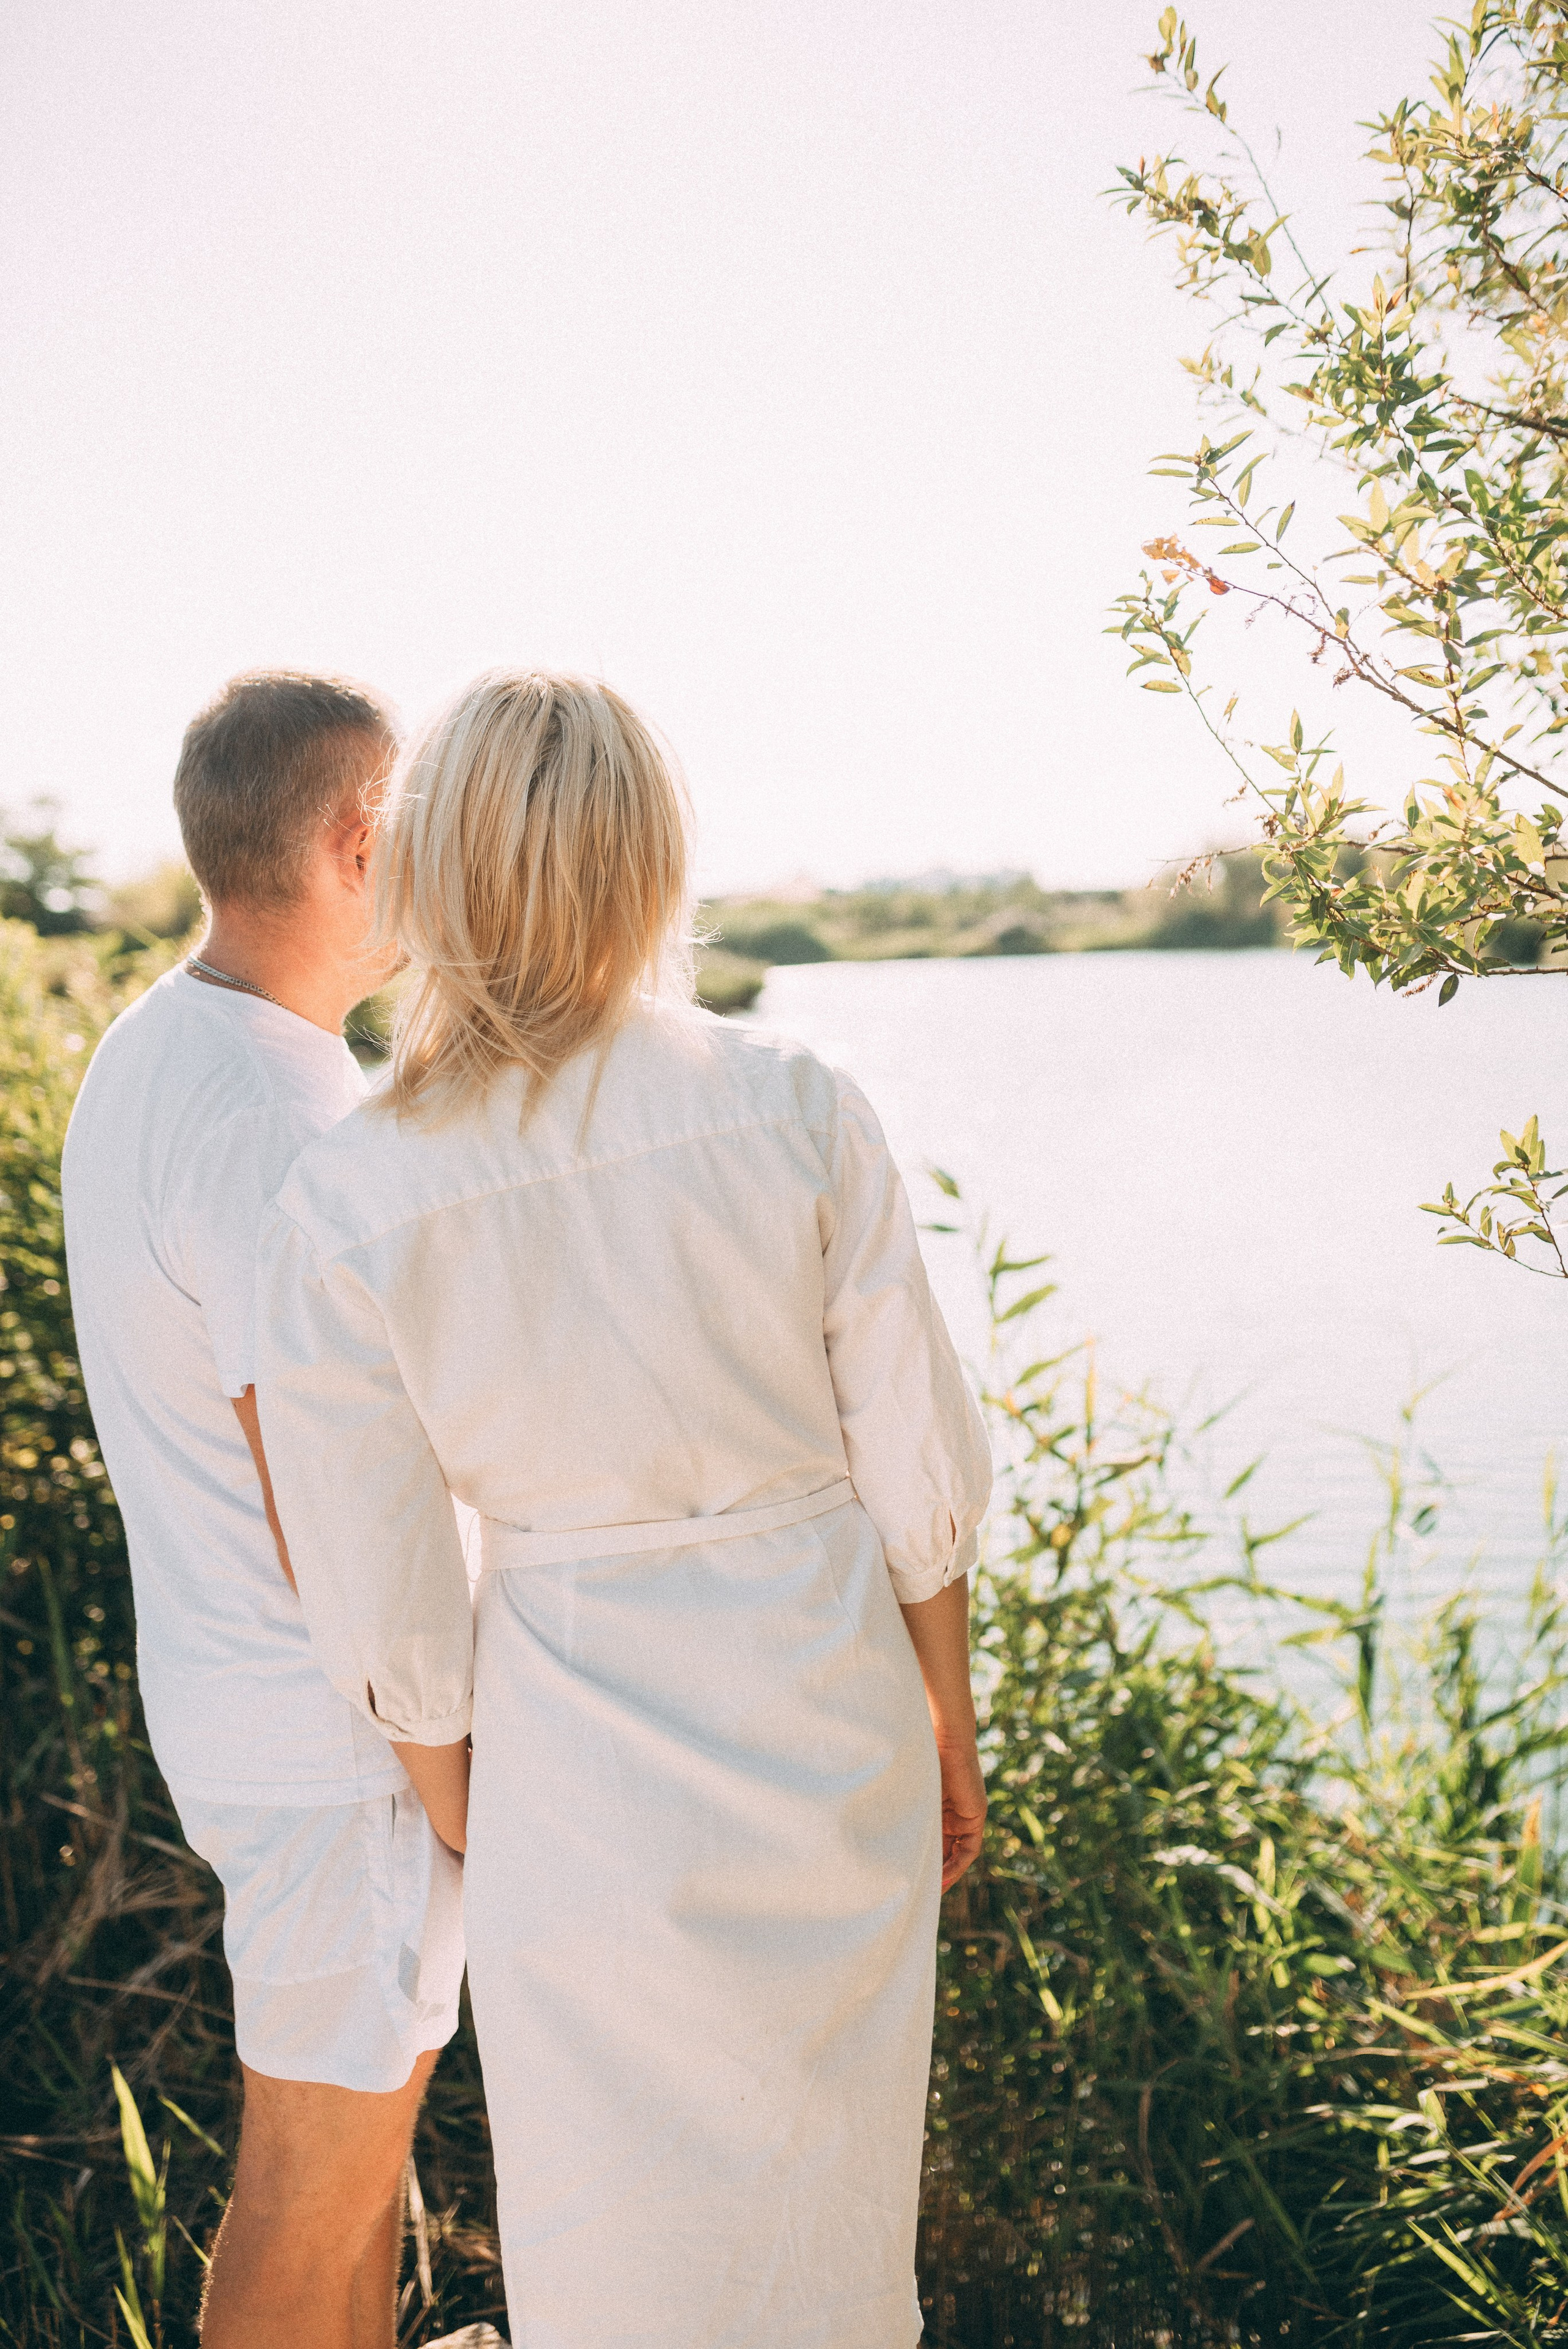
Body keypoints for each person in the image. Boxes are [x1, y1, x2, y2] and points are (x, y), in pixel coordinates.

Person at [254, 669, 993, 2349]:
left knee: (614, 2256)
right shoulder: (796, 1103)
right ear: (651, 858)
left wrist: (474, 1816)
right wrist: (943, 1714)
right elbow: (916, 1472)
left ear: (425, 870)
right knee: (833, 2231)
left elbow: (385, 1603)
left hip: (572, 1768)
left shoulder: (351, 1197)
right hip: (827, 1711)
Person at [62, 673, 468, 2349]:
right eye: (423, 826)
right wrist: (460, 1788)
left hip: (261, 1715)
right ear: (360, 834)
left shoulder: (168, 1047)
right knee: (316, 2186)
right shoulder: (280, 1117)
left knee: (352, 2181)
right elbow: (340, 1507)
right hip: (338, 1744)